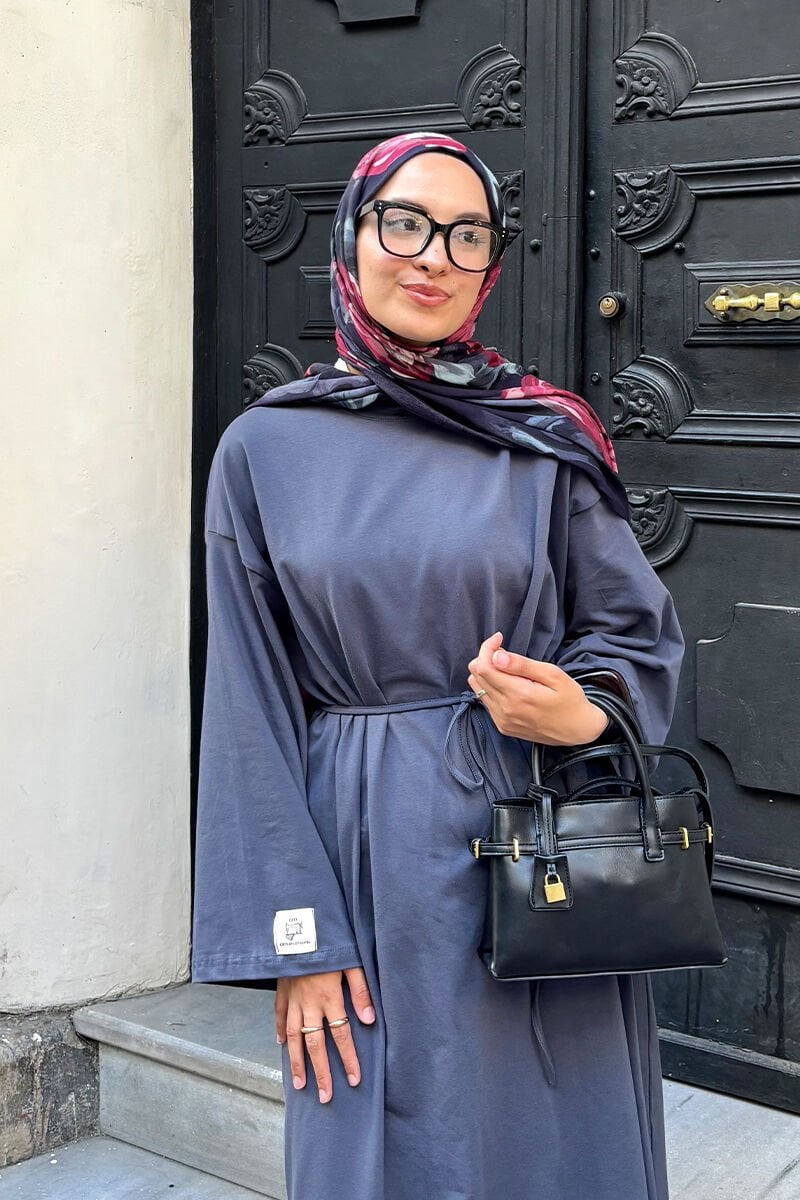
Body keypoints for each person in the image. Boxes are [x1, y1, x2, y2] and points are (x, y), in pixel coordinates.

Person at [191, 131, 684, 1200]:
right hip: (364, 860)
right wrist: (297, 937)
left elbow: (631, 632)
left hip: (542, 847)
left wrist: (583, 712)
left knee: (561, 1141)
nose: (432, 257)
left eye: (467, 235)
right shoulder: (264, 449)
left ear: (492, 262)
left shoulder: (538, 437)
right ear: (352, 235)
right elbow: (247, 707)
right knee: (384, 1141)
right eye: (404, 223)